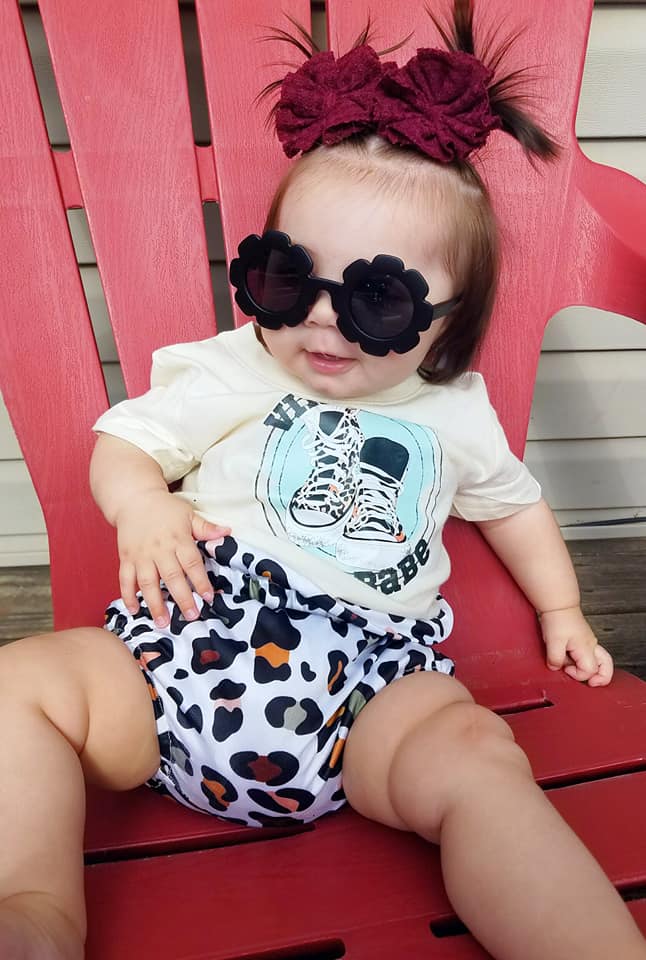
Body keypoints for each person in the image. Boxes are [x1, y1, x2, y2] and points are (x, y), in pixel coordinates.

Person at [1, 2, 645, 958]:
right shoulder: (236, 366)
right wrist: (140, 503)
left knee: (475, 756)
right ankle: (32, 913)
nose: (321, 321)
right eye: (288, 279)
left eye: (377, 298)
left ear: (449, 318)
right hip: (175, 661)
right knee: (20, 683)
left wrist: (561, 609)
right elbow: (128, 439)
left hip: (368, 696)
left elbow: (514, 508)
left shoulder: (453, 412)